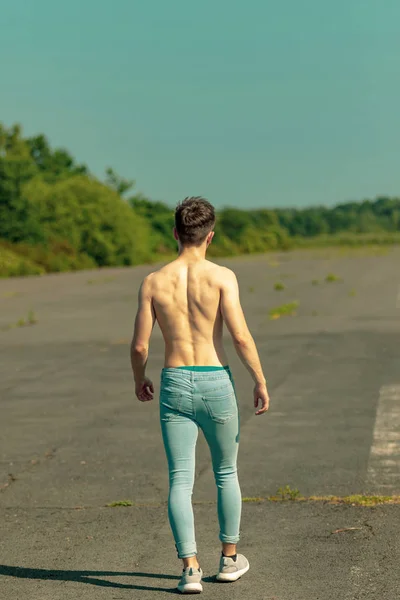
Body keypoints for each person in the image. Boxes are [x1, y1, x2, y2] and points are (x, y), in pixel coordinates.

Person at [130, 197, 270, 594]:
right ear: (210, 236)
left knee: (180, 478)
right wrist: (259, 379)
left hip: (174, 381)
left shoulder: (153, 282)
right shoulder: (223, 277)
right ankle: (228, 559)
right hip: (215, 380)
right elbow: (240, 335)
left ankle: (189, 568)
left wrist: (139, 378)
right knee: (226, 471)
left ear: (175, 234)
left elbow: (140, 346)